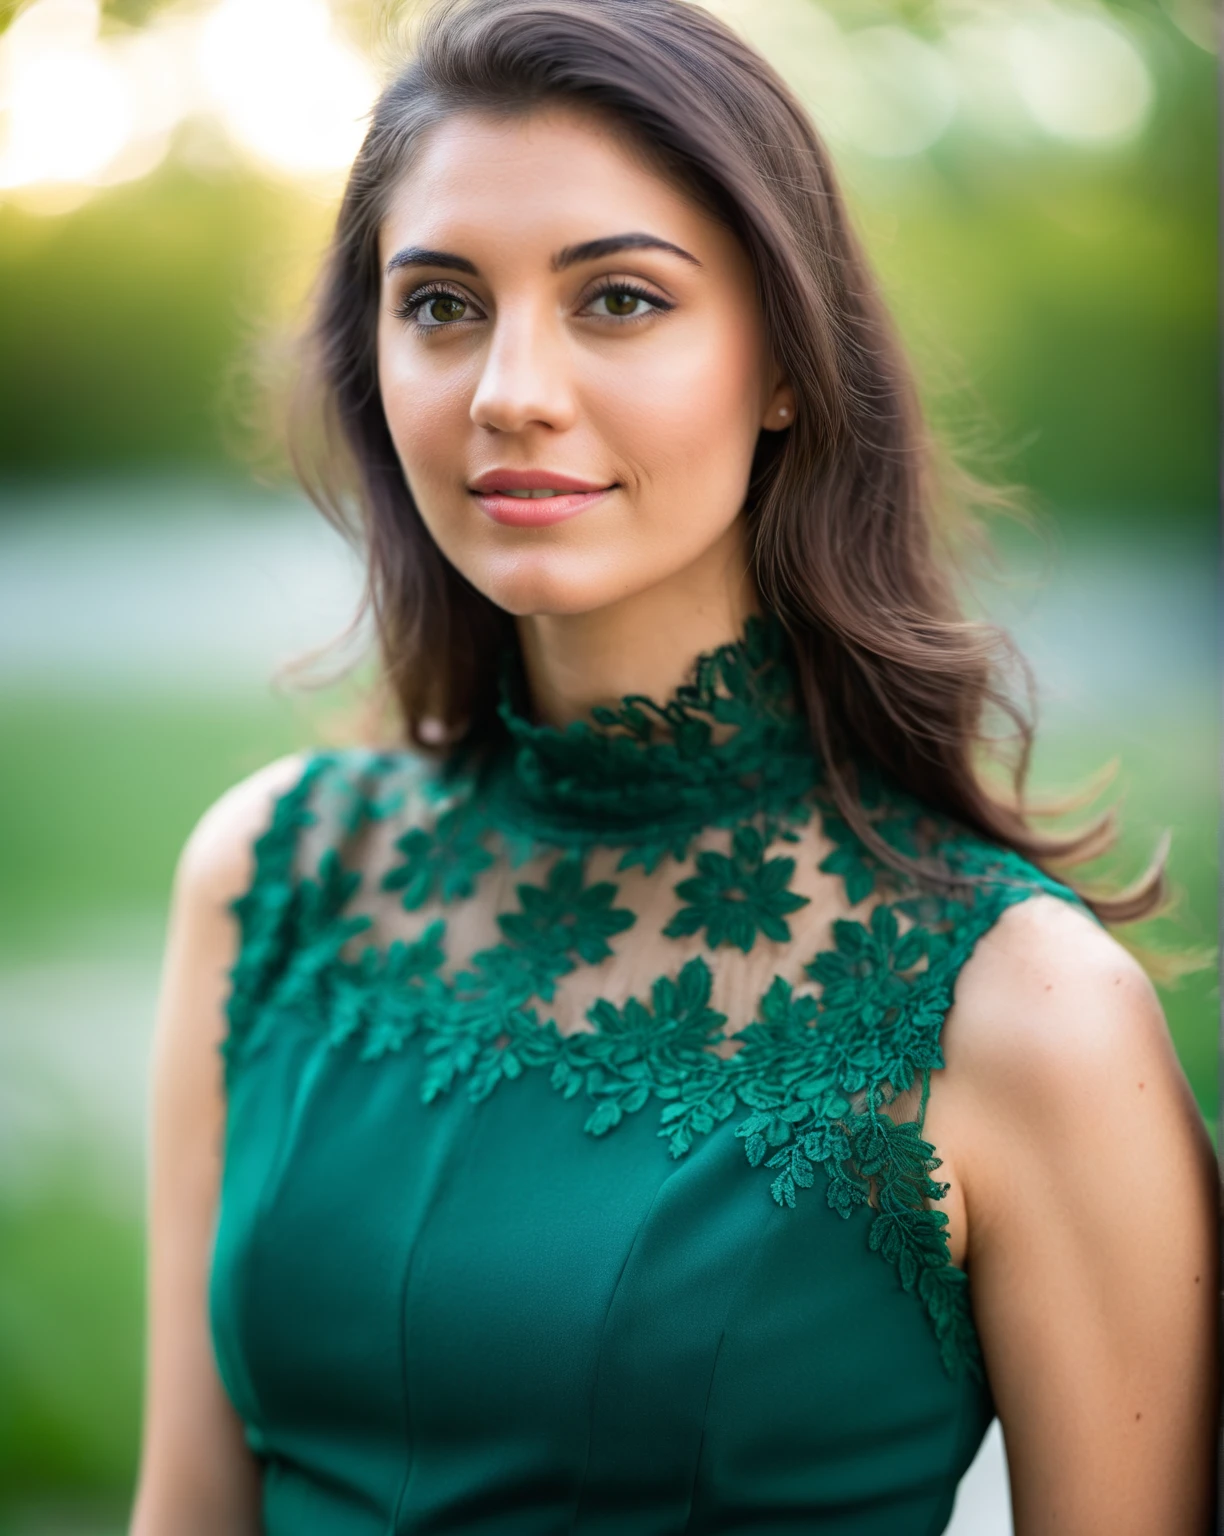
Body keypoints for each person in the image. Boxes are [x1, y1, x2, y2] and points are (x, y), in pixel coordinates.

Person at [128, 1, 1218, 1531]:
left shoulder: (1027, 1013)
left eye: (620, 299)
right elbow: (184, 1507)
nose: (509, 386)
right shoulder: (270, 879)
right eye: (440, 304)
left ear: (783, 363)